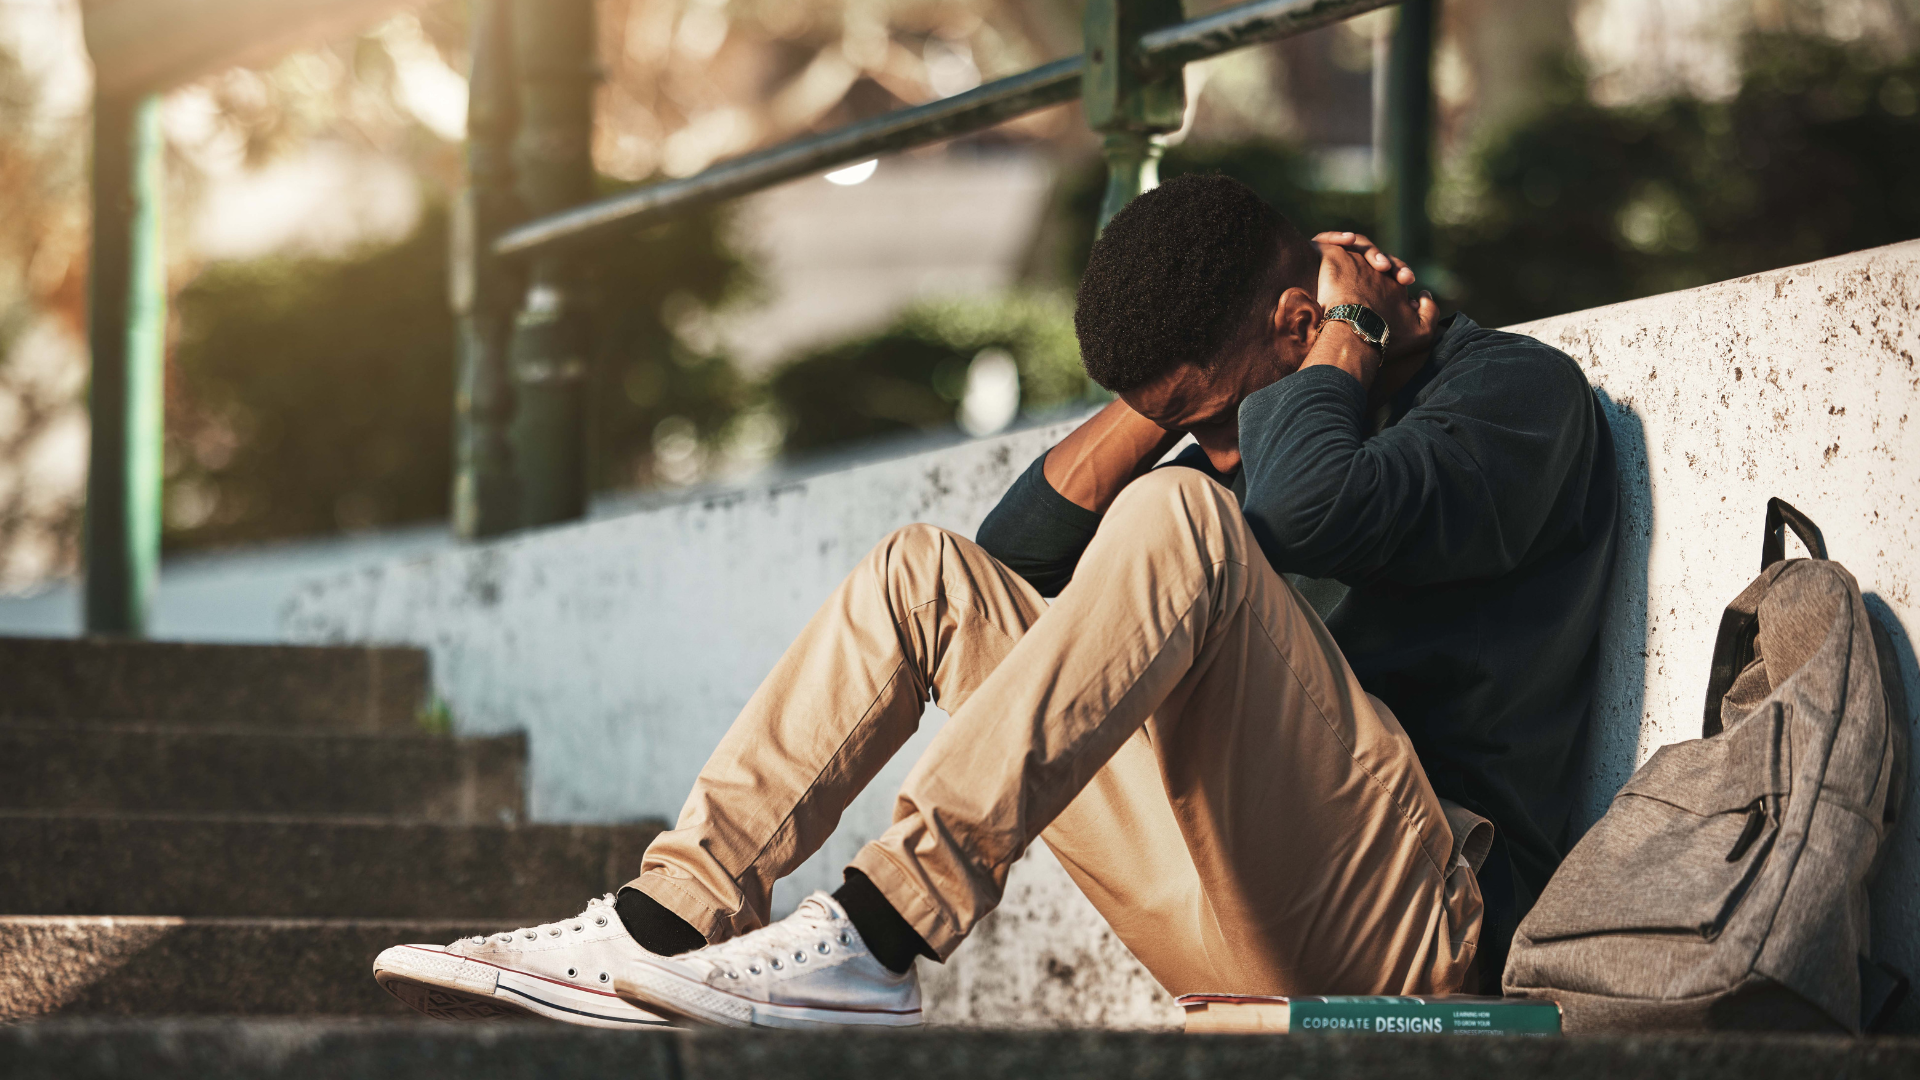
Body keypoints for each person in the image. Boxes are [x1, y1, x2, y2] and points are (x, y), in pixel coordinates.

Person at [373, 173, 1619, 1030]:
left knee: (1174, 516)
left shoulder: (1511, 399)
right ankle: (663, 920)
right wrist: (1169, 395)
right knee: (927, 573)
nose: (1211, 447)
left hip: (1424, 931)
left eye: (1214, 413)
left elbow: (1310, 509)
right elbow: (1011, 561)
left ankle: (878, 935)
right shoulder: (1263, 425)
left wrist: (1337, 338)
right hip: (1230, 907)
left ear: (1303, 326)